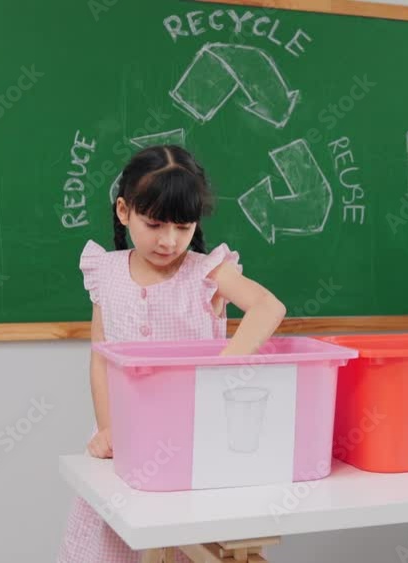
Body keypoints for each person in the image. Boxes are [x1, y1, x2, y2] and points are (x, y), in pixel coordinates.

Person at [58, 145, 286, 563]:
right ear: (124, 211)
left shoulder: (208, 272)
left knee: (192, 541)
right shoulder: (105, 272)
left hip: (194, 443)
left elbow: (269, 307)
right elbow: (100, 357)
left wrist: (221, 368)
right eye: (155, 224)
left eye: (183, 227)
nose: (169, 240)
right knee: (112, 539)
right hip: (124, 439)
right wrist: (108, 429)